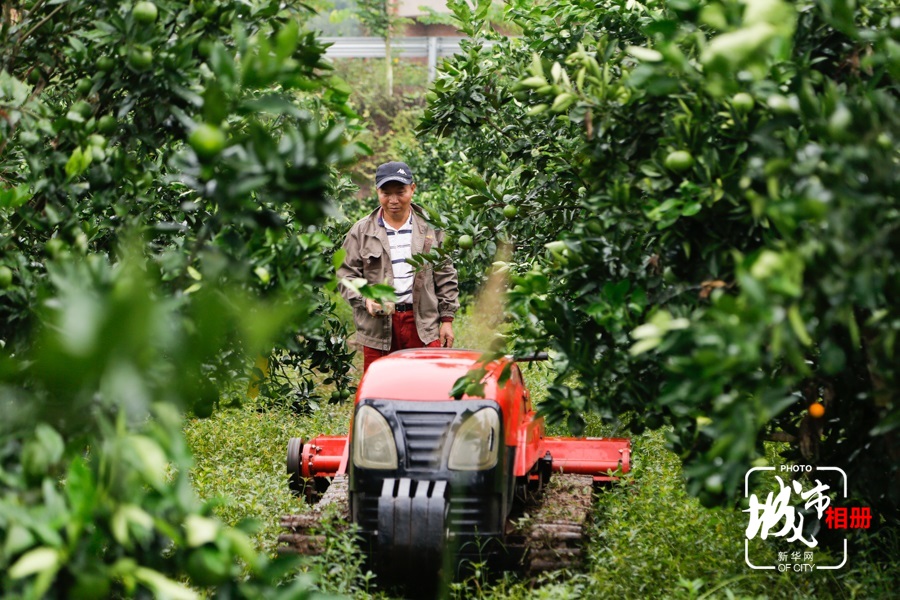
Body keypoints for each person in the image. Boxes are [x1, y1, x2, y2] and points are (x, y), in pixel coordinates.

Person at [337, 161, 459, 372]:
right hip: (378, 328)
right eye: (386, 193)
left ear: (412, 188)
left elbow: (445, 273)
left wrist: (447, 320)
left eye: (400, 192)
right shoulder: (361, 231)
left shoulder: (431, 230)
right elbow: (346, 275)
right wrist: (366, 299)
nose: (393, 200)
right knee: (381, 390)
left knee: (426, 387)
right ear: (377, 192)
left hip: (422, 325)